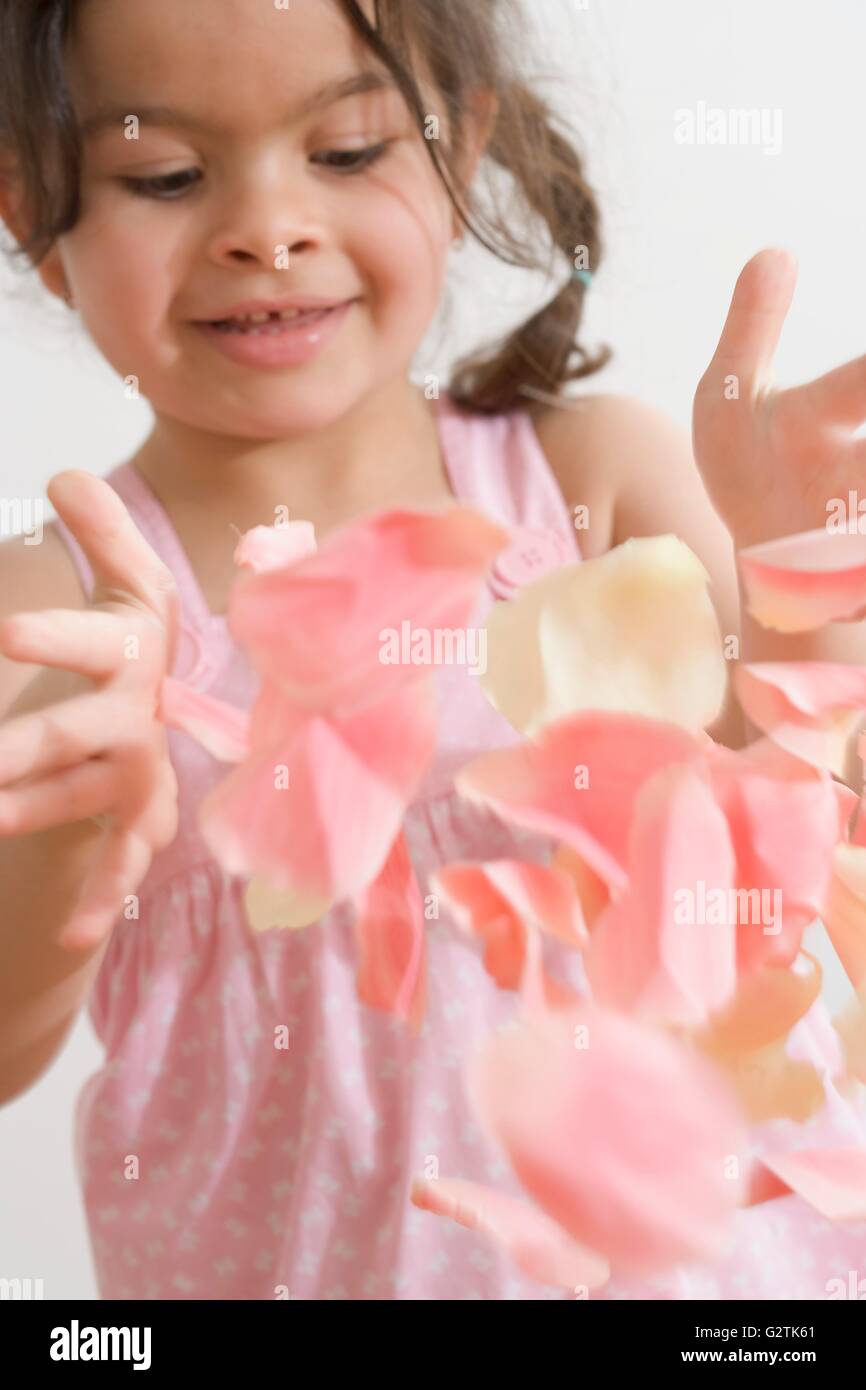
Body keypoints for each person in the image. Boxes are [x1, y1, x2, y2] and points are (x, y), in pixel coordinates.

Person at [1, 0, 864, 1300]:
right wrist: (68, 860)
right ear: (32, 213)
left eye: (345, 150)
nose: (268, 226)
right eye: (166, 175)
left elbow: (789, 874)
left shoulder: (592, 487)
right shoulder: (59, 608)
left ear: (456, 156)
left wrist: (809, 600)